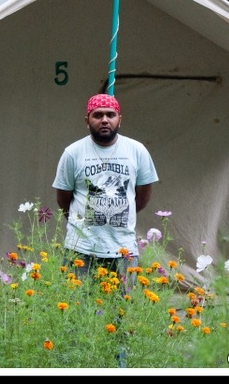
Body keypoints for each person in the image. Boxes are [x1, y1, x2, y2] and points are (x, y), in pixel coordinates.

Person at [52, 93, 159, 292]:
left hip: (123, 248)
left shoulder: (137, 151)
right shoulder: (73, 153)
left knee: (121, 311)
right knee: (77, 310)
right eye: (97, 115)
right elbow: (63, 198)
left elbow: (143, 195)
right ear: (87, 121)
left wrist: (121, 212)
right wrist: (81, 222)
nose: (104, 120)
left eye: (110, 115)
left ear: (120, 119)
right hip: (81, 248)